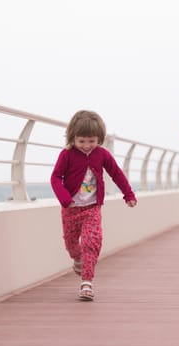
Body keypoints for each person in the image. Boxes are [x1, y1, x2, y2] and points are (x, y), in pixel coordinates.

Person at [51, 110, 137, 301]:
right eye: (81, 141)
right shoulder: (67, 155)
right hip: (70, 208)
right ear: (72, 138)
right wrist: (65, 199)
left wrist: (128, 194)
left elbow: (117, 174)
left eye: (92, 141)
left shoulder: (102, 154)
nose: (87, 146)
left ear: (99, 138)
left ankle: (87, 283)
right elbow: (55, 178)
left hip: (92, 208)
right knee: (72, 245)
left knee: (92, 241)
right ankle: (77, 259)